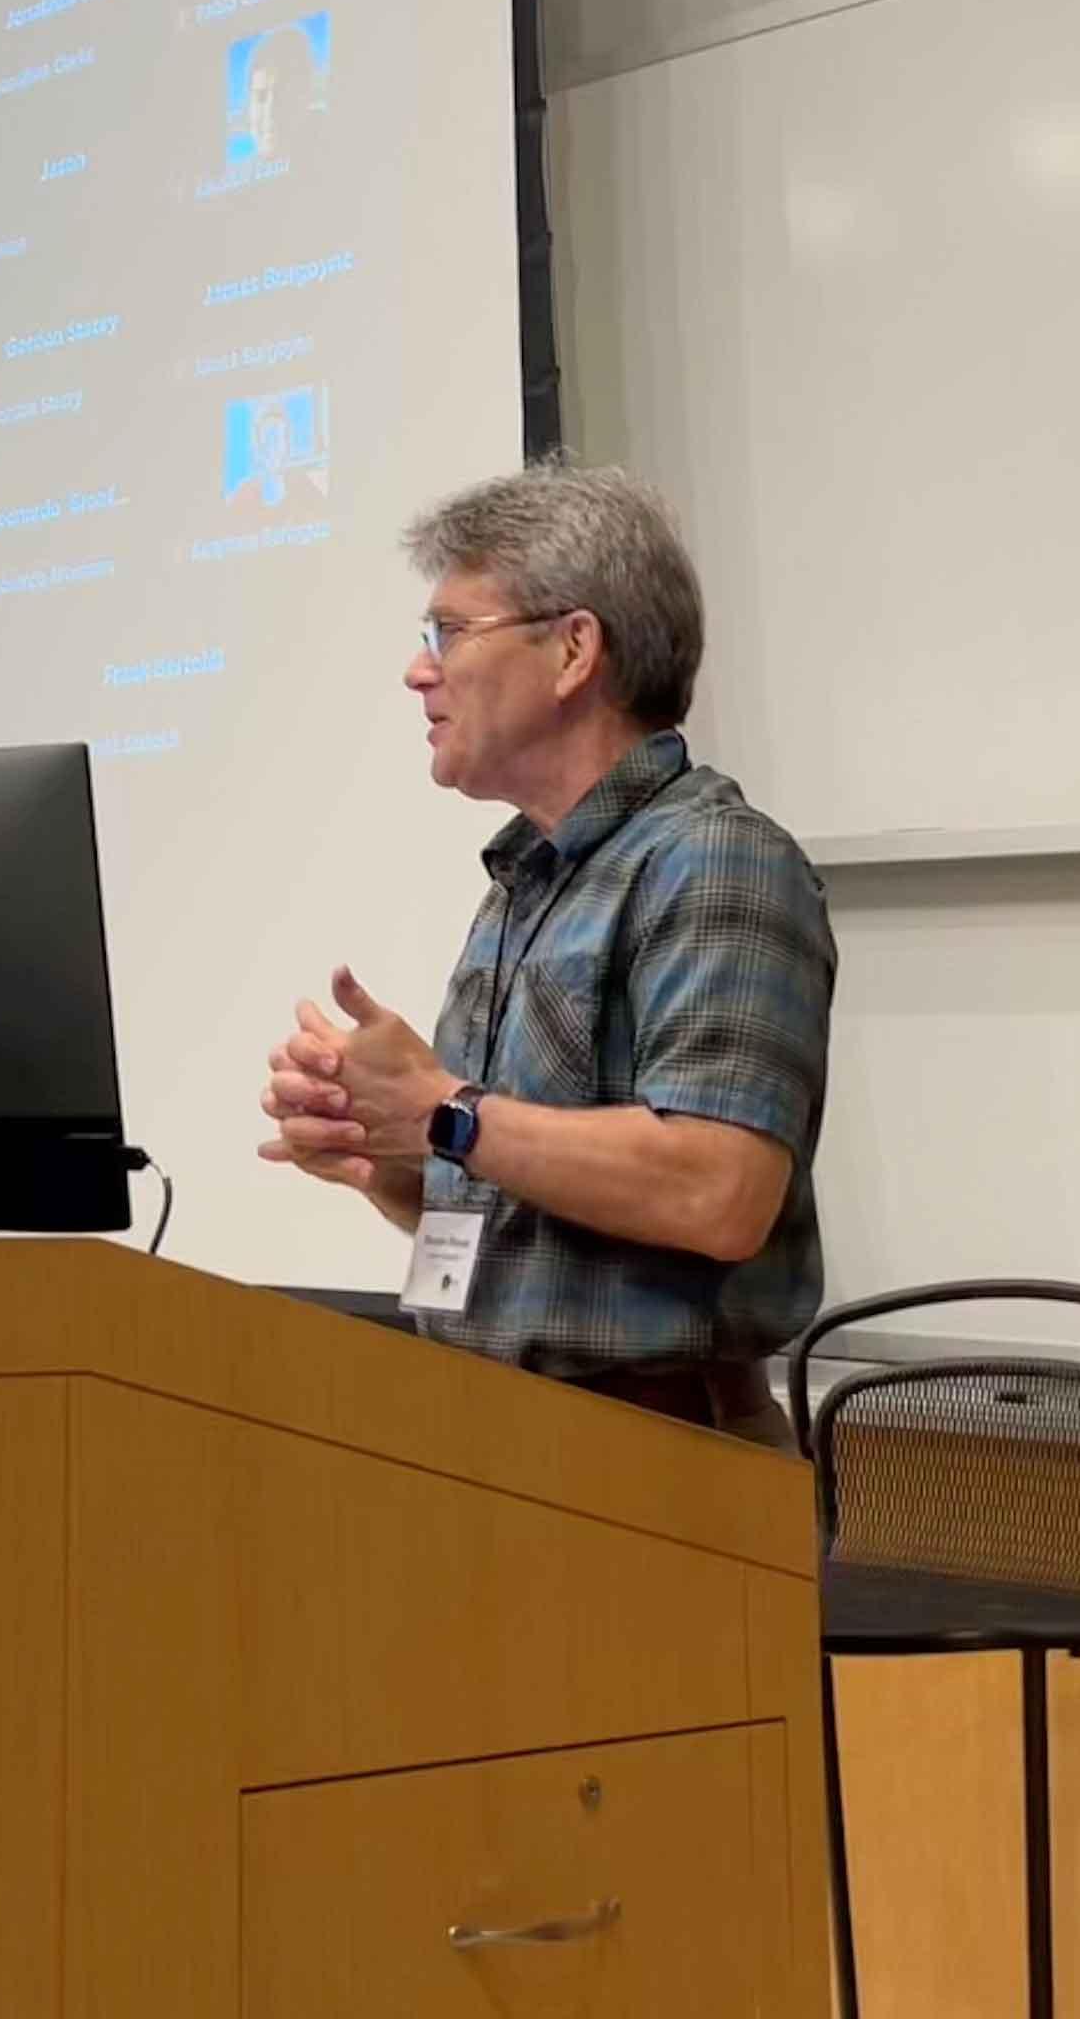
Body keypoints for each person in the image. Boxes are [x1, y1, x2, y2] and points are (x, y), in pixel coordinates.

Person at [261, 460, 834, 1445]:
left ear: (574, 651)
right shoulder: (529, 881)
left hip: (658, 1461)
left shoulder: (716, 862)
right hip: (500, 1438)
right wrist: (382, 1154)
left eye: (449, 632)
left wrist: (442, 1110)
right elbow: (527, 1224)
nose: (418, 670)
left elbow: (717, 1191)